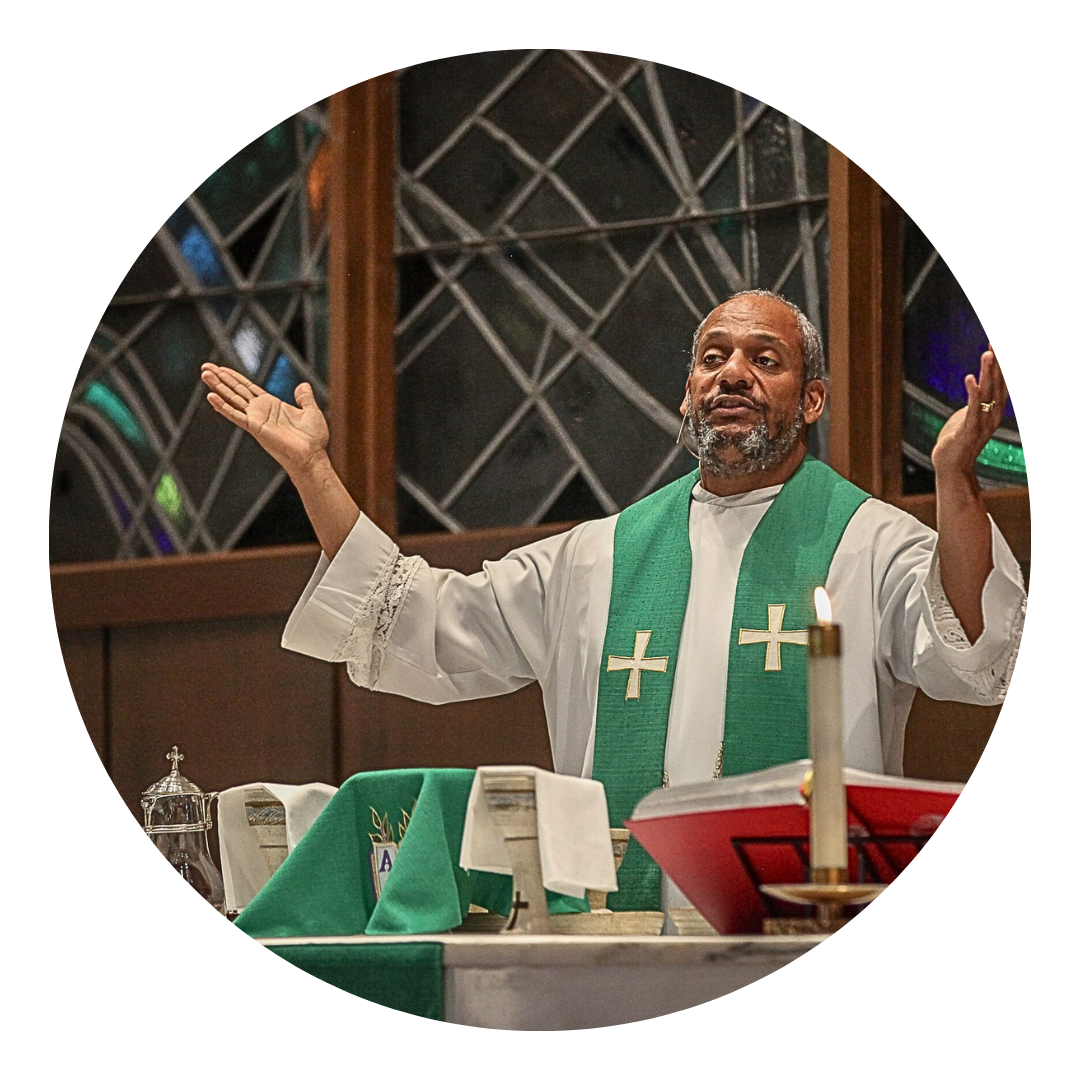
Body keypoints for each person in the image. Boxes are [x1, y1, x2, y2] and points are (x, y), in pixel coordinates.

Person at [200, 289, 1026, 910]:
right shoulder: (594, 559)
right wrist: (313, 472)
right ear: (686, 395)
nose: (731, 373)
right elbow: (419, 618)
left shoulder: (872, 542)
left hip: (812, 934)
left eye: (764, 359)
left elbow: (968, 650)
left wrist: (953, 478)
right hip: (621, 936)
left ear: (811, 400)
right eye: (712, 357)